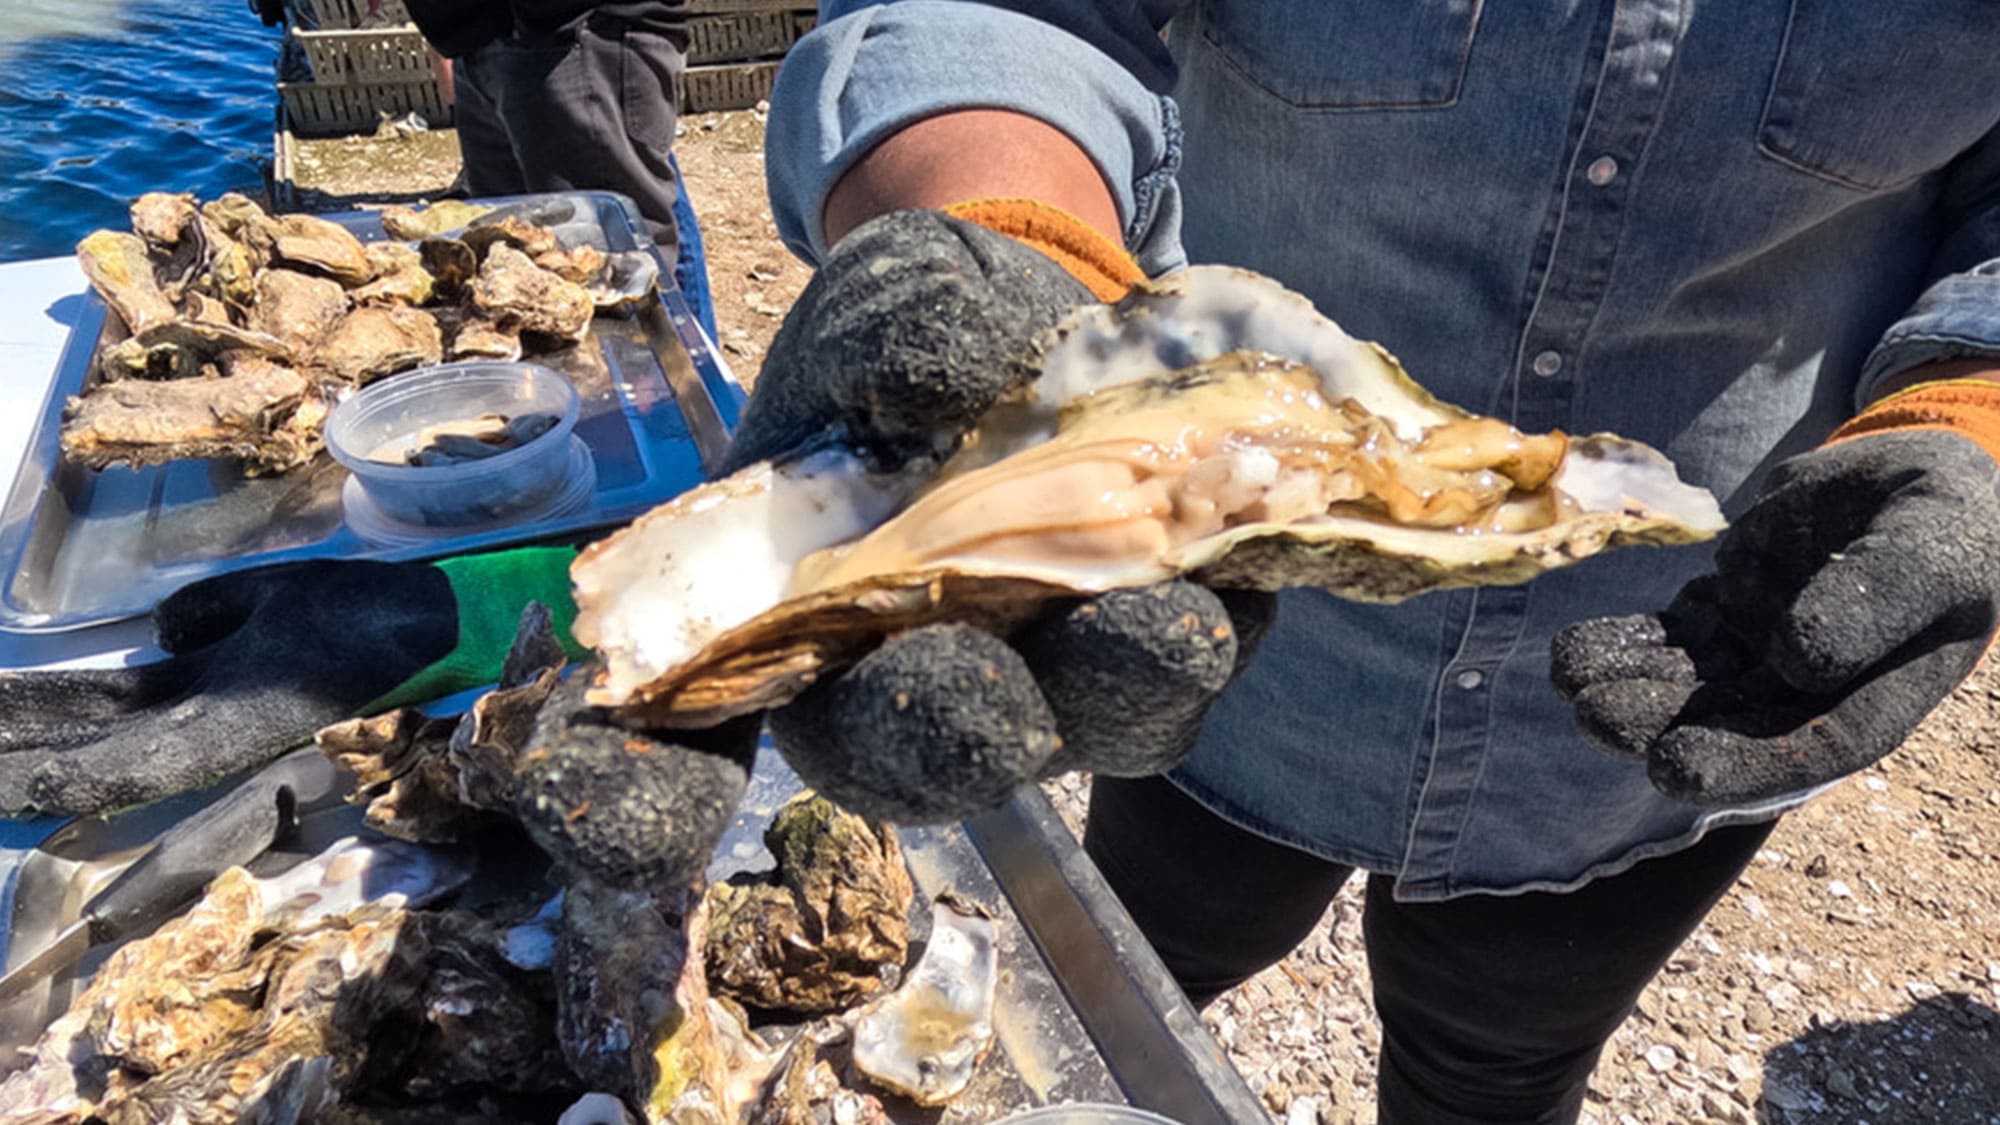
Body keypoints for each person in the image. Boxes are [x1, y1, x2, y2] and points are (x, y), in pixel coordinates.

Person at [727, 3, 2000, 1122]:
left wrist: (1970, 412)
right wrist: (1014, 244)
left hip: (1664, 678)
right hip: (1221, 632)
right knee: (1125, 986)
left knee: (1498, 1072)